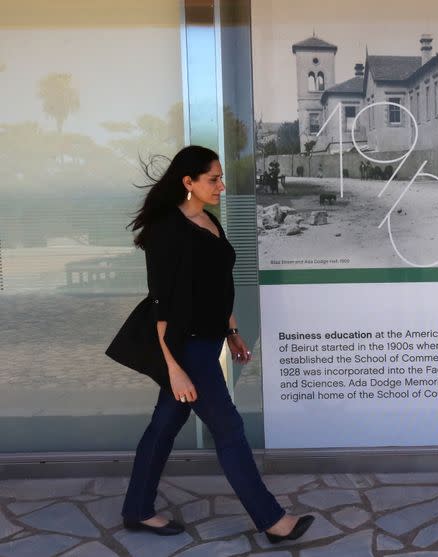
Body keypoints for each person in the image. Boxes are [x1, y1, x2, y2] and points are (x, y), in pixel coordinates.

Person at [106, 146, 313, 543]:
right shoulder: (168, 230)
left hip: (208, 338)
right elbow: (160, 308)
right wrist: (174, 367)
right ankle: (273, 521)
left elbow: (218, 285)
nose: (222, 184)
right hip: (184, 347)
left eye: (220, 177)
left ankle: (136, 508)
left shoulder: (208, 219)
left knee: (164, 425)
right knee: (229, 428)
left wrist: (232, 331)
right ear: (189, 182)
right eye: (213, 178)